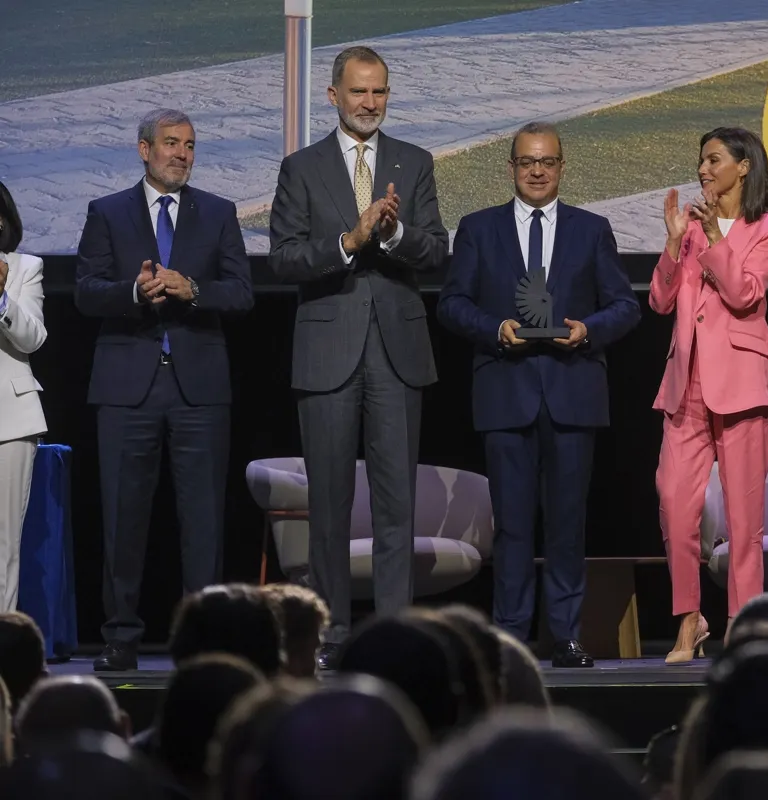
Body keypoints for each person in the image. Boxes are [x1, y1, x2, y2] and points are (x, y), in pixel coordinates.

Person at [268, 46, 449, 670]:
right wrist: (350, 240)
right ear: (333, 95)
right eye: (358, 93)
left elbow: (436, 249)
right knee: (329, 508)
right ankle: (331, 635)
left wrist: (392, 233)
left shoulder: (415, 162)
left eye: (379, 93)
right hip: (326, 351)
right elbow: (284, 257)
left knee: (397, 503)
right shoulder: (301, 167)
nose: (370, 104)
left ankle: (394, 640)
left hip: (397, 352)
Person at [437, 122, 640, 668]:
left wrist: (587, 329)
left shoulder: (591, 229)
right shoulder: (478, 229)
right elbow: (452, 303)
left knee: (569, 524)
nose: (537, 171)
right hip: (506, 391)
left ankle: (566, 636)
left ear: (561, 167)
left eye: (547, 162)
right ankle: (508, 637)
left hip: (573, 394)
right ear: (510, 167)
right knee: (512, 525)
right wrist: (493, 329)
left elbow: (625, 305)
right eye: (527, 162)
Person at [75, 109, 254, 672]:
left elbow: (243, 293)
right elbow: (85, 291)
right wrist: (135, 291)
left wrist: (192, 288)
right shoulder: (107, 213)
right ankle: (120, 638)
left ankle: (201, 643)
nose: (182, 154)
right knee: (123, 519)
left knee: (203, 524)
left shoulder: (219, 213)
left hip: (200, 390)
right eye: (171, 144)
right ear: (143, 149)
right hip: (128, 389)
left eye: (190, 146)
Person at [650, 127, 768, 664]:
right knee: (673, 504)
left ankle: (744, 628)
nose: (704, 170)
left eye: (713, 160)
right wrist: (670, 244)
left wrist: (713, 241)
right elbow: (662, 302)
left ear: (744, 166)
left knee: (743, 518)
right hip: (686, 384)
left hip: (744, 384)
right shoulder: (687, 229)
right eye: (701, 161)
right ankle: (690, 620)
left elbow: (745, 293)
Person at [0, 181, 48, 613]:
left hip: (9, 424)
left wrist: (1, 298)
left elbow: (32, 338)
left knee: (2, 548)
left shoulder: (23, 268)